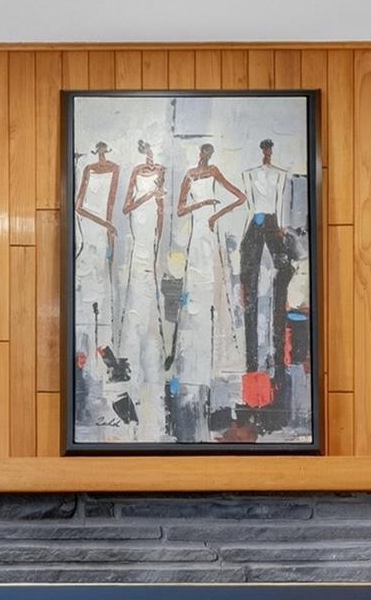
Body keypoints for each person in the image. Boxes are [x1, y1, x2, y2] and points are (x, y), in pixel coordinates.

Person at [174, 142, 248, 419]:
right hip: (196, 236)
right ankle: (193, 365)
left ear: (212, 156)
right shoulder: (190, 175)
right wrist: (203, 204)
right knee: (195, 296)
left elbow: (240, 197)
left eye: (209, 153)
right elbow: (180, 209)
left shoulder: (215, 171)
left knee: (215, 295)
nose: (205, 156)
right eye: (203, 152)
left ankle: (217, 364)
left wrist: (216, 214)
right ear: (199, 153)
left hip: (210, 233)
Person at [115, 139, 168, 438]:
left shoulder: (161, 172)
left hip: (151, 239)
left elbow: (161, 212)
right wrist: (147, 195)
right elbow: (126, 207)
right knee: (135, 294)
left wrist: (159, 240)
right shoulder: (137, 172)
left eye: (153, 151)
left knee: (150, 297)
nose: (151, 156)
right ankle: (130, 358)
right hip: (138, 230)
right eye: (147, 150)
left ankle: (151, 359)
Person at [239, 138, 298, 388]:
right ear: (261, 150)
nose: (267, 153)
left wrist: (281, 230)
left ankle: (277, 357)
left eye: (269, 149)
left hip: (272, 223)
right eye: (264, 149)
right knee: (250, 283)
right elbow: (251, 205)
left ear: (271, 151)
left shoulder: (280, 175)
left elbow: (280, 205)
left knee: (281, 272)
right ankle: (252, 361)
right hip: (256, 221)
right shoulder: (249, 174)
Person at [73, 141, 120, 432]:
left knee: (101, 291)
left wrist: (109, 229)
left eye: (105, 151)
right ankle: (86, 351)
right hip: (92, 229)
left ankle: (100, 350)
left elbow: (111, 204)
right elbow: (79, 206)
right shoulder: (89, 169)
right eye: (100, 151)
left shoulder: (114, 170)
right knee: (86, 288)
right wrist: (104, 223)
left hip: (102, 231)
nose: (102, 155)